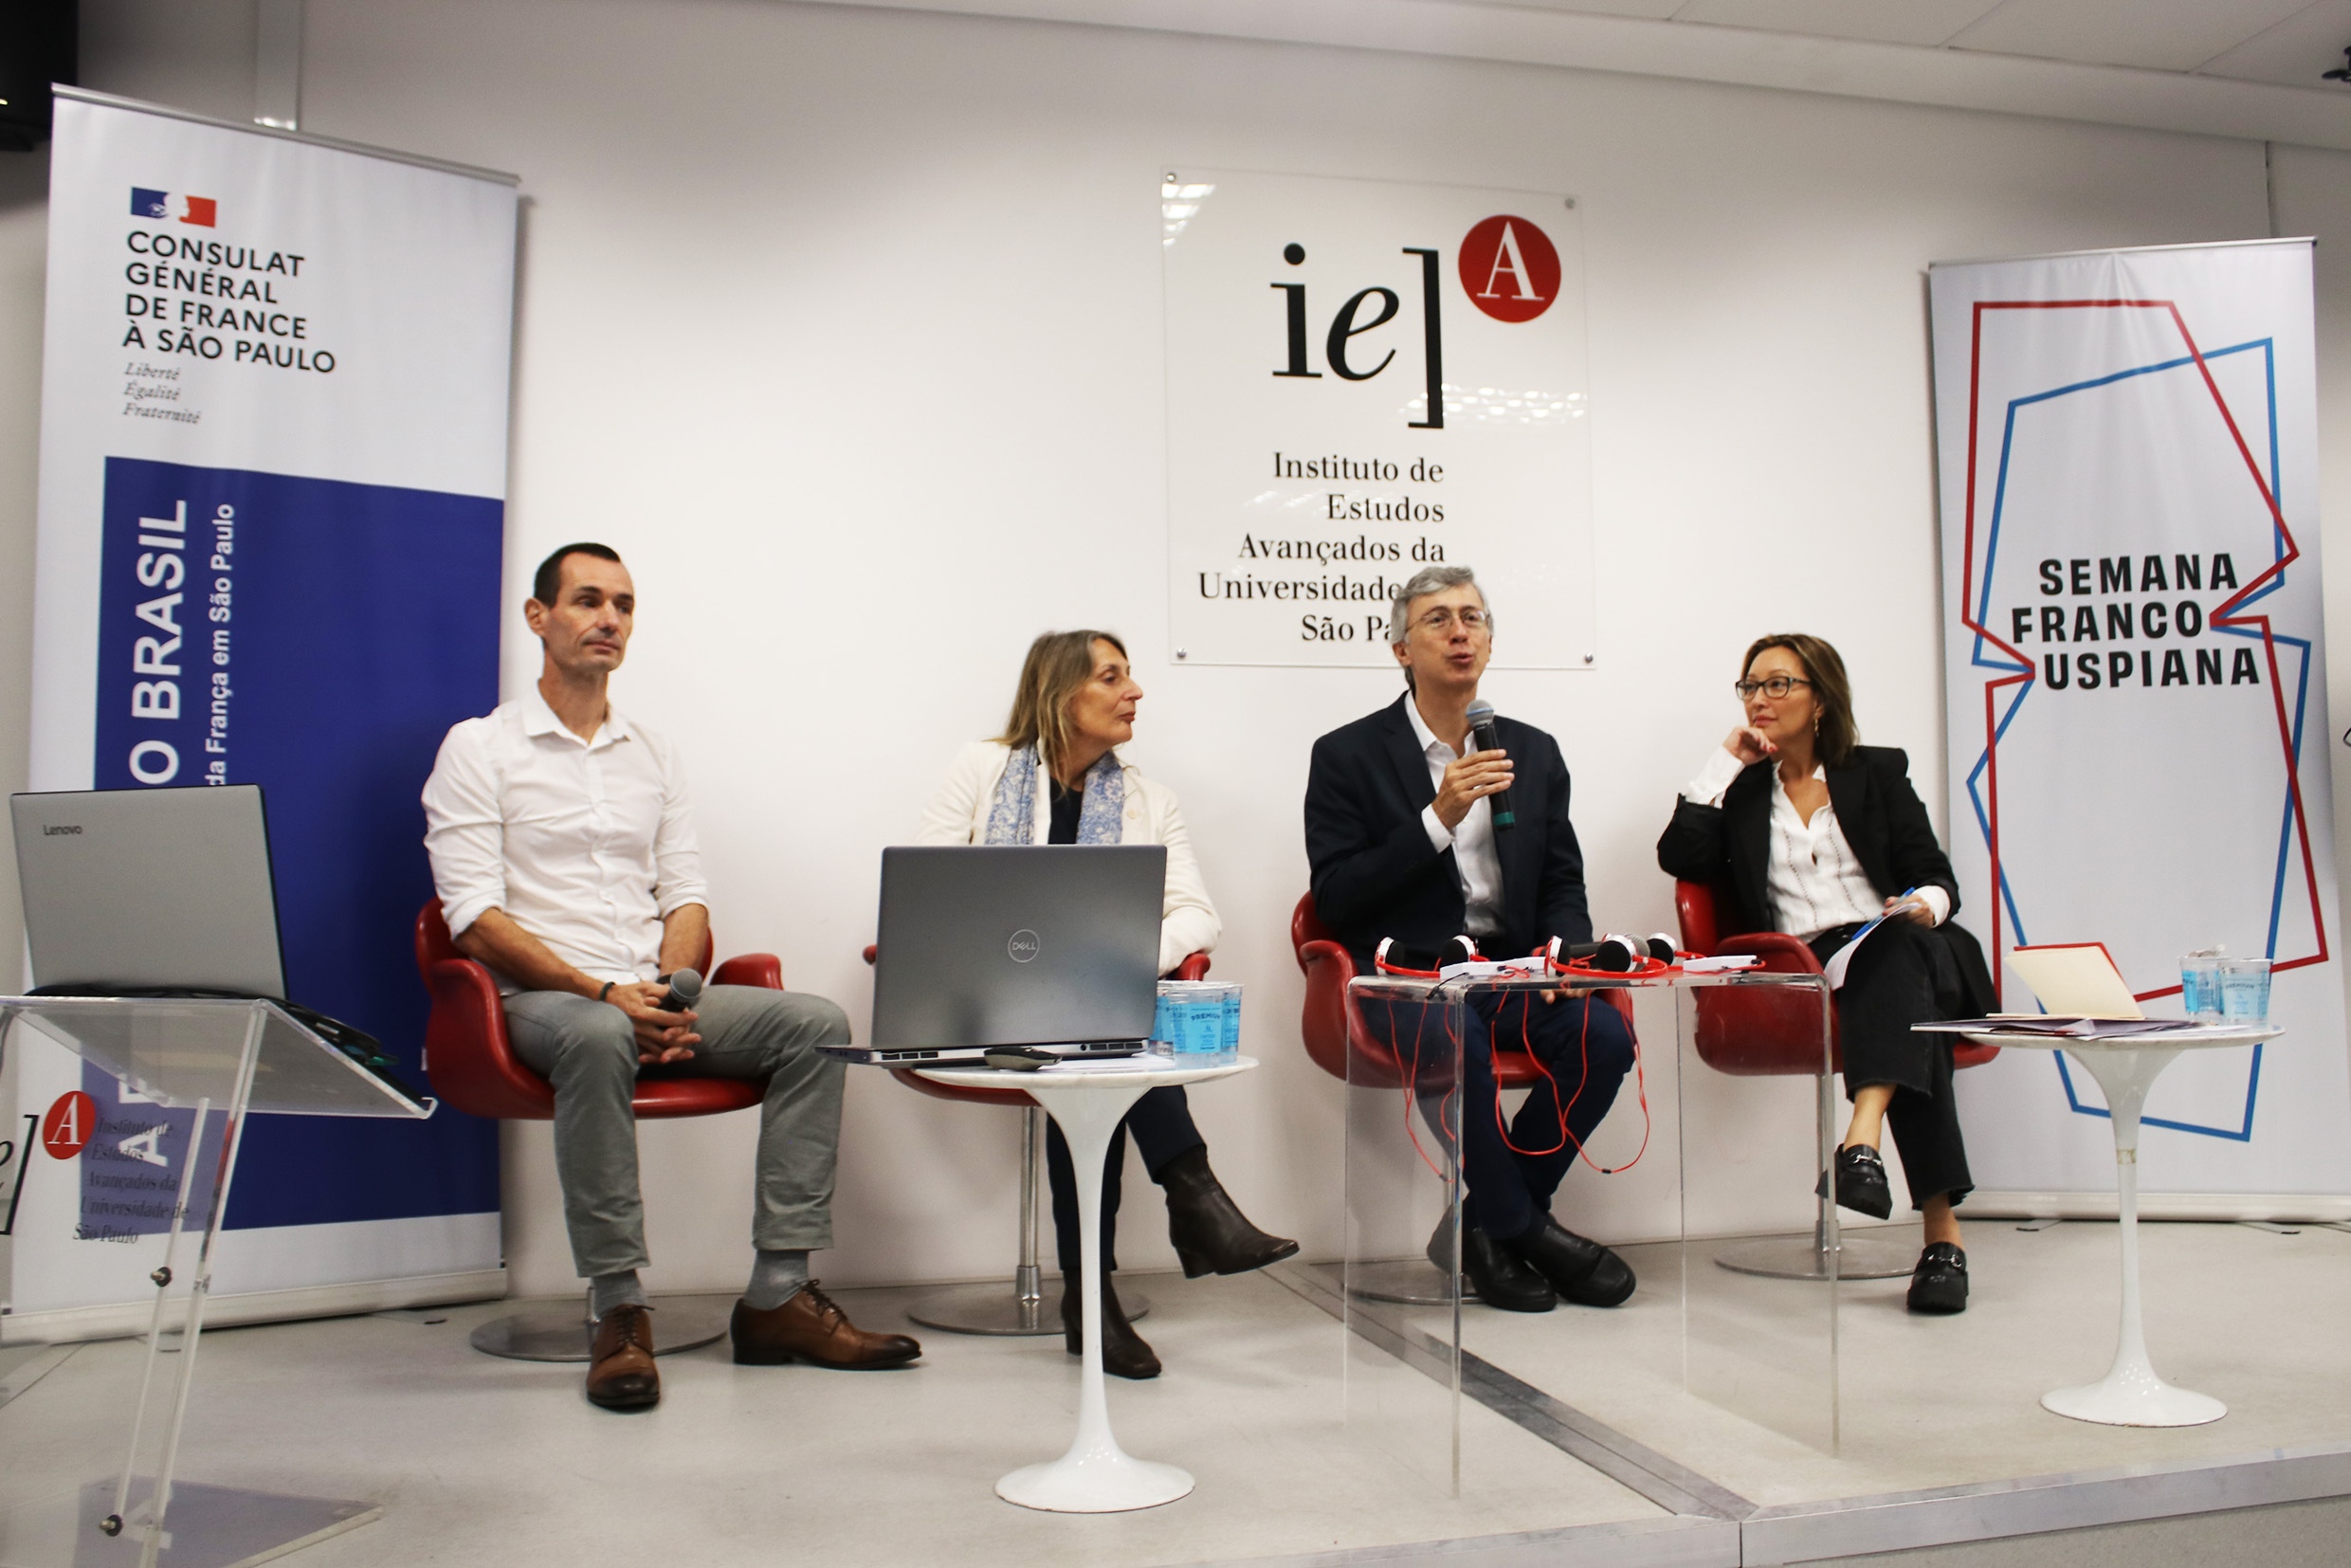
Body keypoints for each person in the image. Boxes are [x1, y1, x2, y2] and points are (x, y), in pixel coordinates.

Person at [423, 542, 920, 1411]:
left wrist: (675, 992)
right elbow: (475, 919)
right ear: (539, 617)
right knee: (599, 1028)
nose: (608, 619)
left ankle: (777, 1294)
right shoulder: (479, 749)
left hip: (645, 993)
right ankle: (617, 1306)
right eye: (586, 601)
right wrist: (606, 994)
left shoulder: (651, 751)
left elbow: (685, 894)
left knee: (816, 1023)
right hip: (541, 1008)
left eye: (622, 605)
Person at [917, 629, 1298, 1378]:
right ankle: (1191, 1202)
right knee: (1104, 1042)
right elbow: (929, 890)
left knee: (1095, 1045)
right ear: (1061, 695)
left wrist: (1110, 960)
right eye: (1112, 677)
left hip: (1093, 1007)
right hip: (981, 1000)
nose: (1136, 692)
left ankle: (1094, 1297)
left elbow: (1197, 917)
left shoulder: (1151, 800)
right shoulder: (981, 768)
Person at [1303, 565, 1638, 1315]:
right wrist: (1437, 816)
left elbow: (1561, 879)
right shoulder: (1346, 755)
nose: (1461, 632)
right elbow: (1336, 898)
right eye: (1439, 620)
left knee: (1604, 1036)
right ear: (1400, 650)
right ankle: (1525, 1227)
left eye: (1474, 618)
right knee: (1461, 1041)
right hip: (1407, 977)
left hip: (1512, 970)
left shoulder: (1533, 751)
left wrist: (1566, 955)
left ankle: (1484, 1223)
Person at [1655, 632, 1994, 1315]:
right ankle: (1940, 1240)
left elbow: (1935, 875)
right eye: (1750, 686)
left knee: (1893, 957)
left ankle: (1862, 1137)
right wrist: (1724, 763)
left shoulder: (1877, 772)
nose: (1760, 698)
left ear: (1819, 700)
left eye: (1778, 684)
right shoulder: (1745, 795)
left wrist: (1924, 907)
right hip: (1803, 966)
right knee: (1912, 1018)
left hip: (1898, 941)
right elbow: (1679, 854)